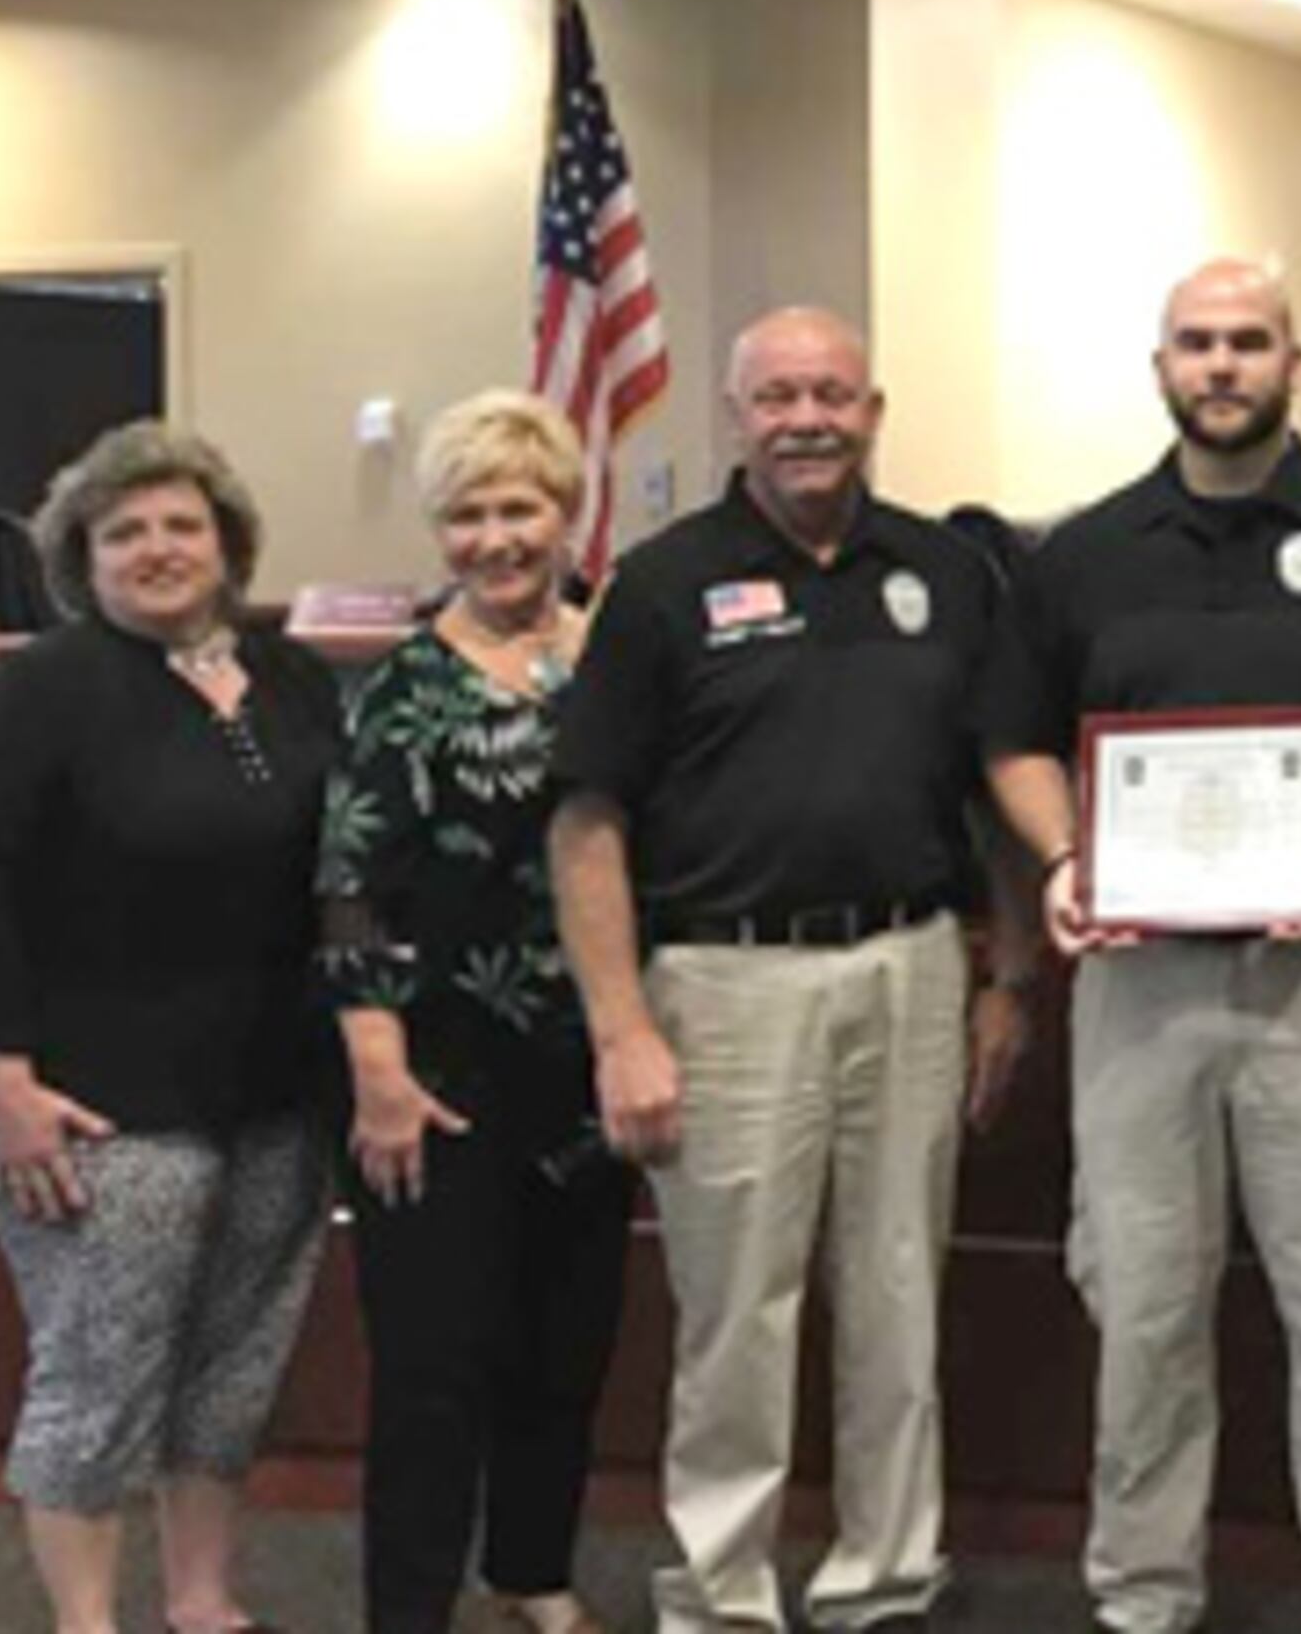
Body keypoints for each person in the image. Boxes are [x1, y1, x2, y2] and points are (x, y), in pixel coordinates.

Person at [980, 259, 1301, 1634]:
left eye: (1249, 343)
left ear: (1294, 364)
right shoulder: (1081, 556)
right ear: (1160, 368)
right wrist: (1070, 861)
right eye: (1197, 344)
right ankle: (1143, 1600)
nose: (1222, 366)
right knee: (1141, 1307)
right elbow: (1015, 744)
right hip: (1138, 981)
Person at [550, 306, 1038, 1634]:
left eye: (831, 393)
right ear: (734, 415)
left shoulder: (946, 572)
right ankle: (720, 1598)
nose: (806, 418)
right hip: (724, 984)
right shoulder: (660, 584)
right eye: (777, 397)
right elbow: (586, 820)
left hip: (915, 967)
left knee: (898, 1298)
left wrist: (1011, 978)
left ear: (874, 409)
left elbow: (999, 786)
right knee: (736, 1316)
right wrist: (620, 1027)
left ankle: (884, 1580)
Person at [0, 420, 341, 1634]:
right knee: (101, 1372)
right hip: (82, 1101)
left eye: (181, 525)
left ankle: (202, 1602)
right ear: (81, 559)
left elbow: (347, 869)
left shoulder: (293, 679)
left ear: (229, 542)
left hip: (269, 1091)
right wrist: (1, 1085)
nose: (157, 549)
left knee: (232, 1365)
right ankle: (86, 1624)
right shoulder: (35, 690)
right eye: (124, 532)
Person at [319, 390, 629, 1634]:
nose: (497, 538)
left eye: (522, 508)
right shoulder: (404, 685)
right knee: (434, 1368)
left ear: (567, 514)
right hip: (438, 1071)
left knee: (566, 1345)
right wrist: (377, 1070)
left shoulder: (619, 657)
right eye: (469, 515)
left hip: (590, 1063)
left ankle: (532, 1576)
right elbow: (350, 887)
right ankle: (410, 1608)